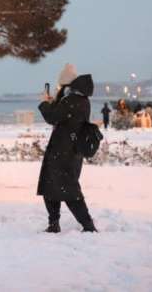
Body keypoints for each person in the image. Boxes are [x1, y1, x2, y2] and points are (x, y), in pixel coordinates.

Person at [37, 63, 97, 233]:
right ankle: (54, 224)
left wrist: (44, 103)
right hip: (67, 150)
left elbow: (52, 117)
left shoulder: (72, 101)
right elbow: (61, 116)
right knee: (52, 187)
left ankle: (88, 225)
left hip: (64, 151)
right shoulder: (81, 100)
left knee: (67, 189)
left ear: (66, 85)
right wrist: (53, 102)